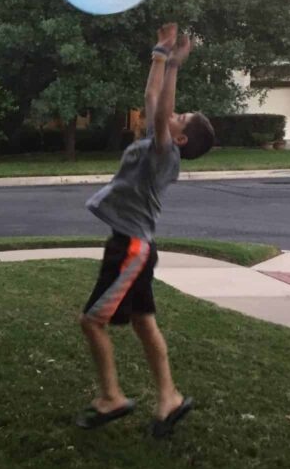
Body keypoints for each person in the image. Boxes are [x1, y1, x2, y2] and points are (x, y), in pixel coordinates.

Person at [76, 23, 215, 436]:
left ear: (183, 138)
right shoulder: (158, 146)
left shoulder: (164, 153)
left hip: (132, 248)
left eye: (181, 117)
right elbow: (151, 99)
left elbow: (158, 108)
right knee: (142, 322)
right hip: (135, 245)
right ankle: (168, 398)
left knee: (91, 321)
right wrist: (163, 55)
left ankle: (112, 397)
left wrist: (171, 65)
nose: (174, 113)